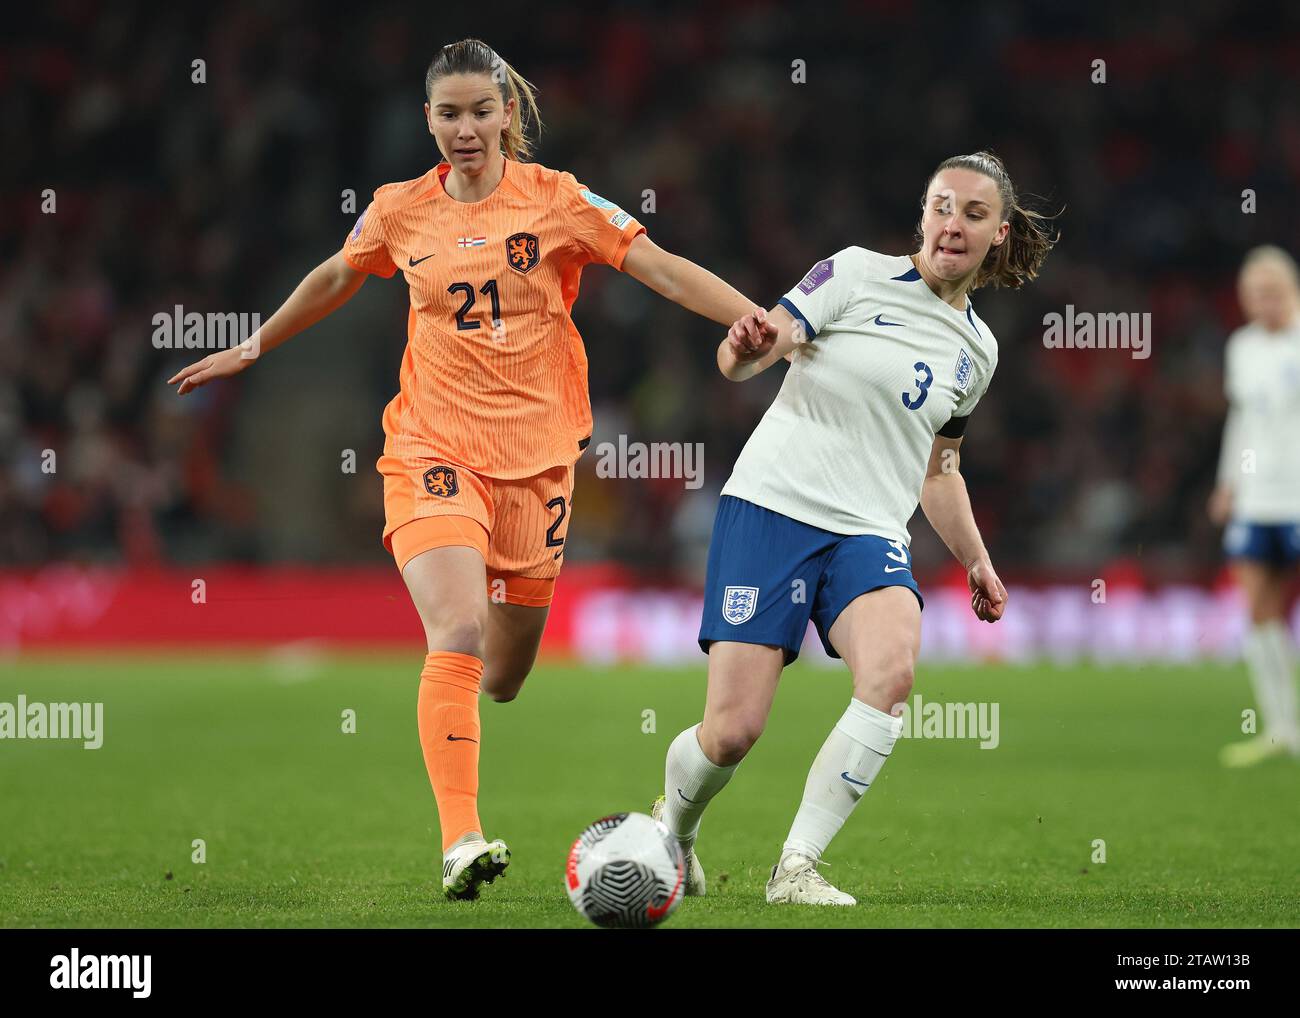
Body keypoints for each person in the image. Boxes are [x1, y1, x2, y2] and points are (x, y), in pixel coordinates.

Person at [169, 38, 768, 900]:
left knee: (507, 674)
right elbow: (341, 272)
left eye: (480, 111)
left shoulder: (557, 200)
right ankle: (462, 840)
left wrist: (758, 320)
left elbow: (658, 267)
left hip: (539, 464)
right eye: (448, 114)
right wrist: (257, 342)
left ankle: (462, 705)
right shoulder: (399, 210)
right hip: (431, 449)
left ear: (507, 117)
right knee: (455, 632)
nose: (465, 128)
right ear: (428, 121)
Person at [653, 151, 1056, 905]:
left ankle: (796, 867)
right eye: (942, 206)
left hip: (869, 532)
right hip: (772, 508)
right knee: (732, 732)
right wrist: (740, 351)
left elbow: (940, 469)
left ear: (998, 233)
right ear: (923, 214)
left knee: (891, 674)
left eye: (973, 214)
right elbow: (753, 350)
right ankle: (673, 825)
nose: (952, 224)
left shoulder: (977, 352)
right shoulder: (852, 274)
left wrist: (976, 559)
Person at [1209, 245, 1300, 767]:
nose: (1264, 303)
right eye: (1255, 295)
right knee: (1259, 611)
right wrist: (1228, 483)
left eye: (1273, 293)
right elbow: (1241, 420)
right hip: (1256, 496)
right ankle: (1281, 727)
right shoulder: (1241, 346)